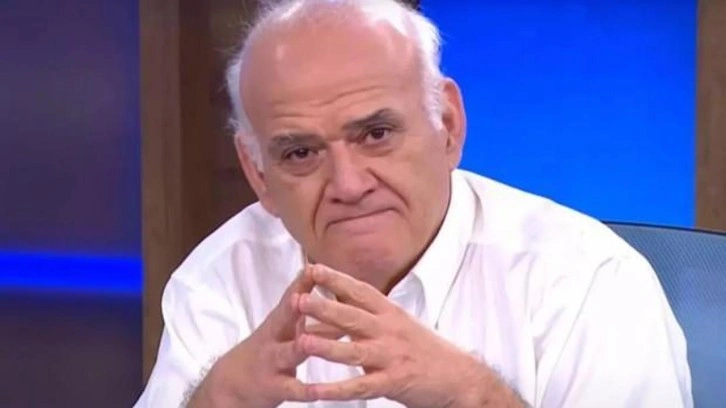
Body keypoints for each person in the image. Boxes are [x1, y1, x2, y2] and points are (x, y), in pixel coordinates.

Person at [135, 0, 692, 407]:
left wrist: (470, 396)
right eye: (301, 152)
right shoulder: (220, 281)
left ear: (447, 125)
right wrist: (217, 400)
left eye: (376, 134)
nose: (348, 184)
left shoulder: (588, 281)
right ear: (258, 172)